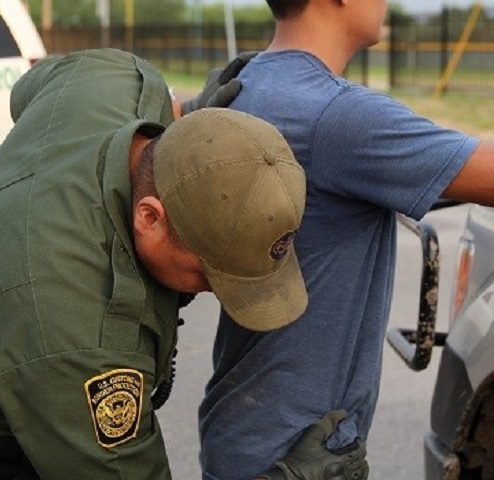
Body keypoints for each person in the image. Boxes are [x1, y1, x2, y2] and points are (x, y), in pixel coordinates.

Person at [189, 1, 494, 479]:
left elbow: (414, 166)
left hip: (244, 428)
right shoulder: (337, 114)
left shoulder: (249, 83)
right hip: (295, 452)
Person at [0, 48, 309, 479]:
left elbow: (28, 89)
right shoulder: (86, 339)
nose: (215, 294)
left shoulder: (117, 77)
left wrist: (196, 139)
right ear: (150, 218)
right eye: (209, 275)